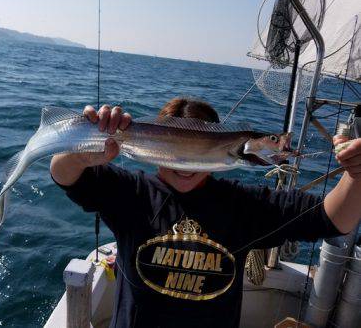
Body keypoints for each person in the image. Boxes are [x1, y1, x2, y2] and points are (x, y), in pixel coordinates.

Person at [50, 97, 361, 328]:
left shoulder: (243, 205)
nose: (184, 165)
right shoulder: (131, 193)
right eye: (175, 148)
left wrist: (356, 174)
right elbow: (64, 173)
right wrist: (79, 153)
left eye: (197, 146)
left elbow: (335, 218)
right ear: (154, 145)